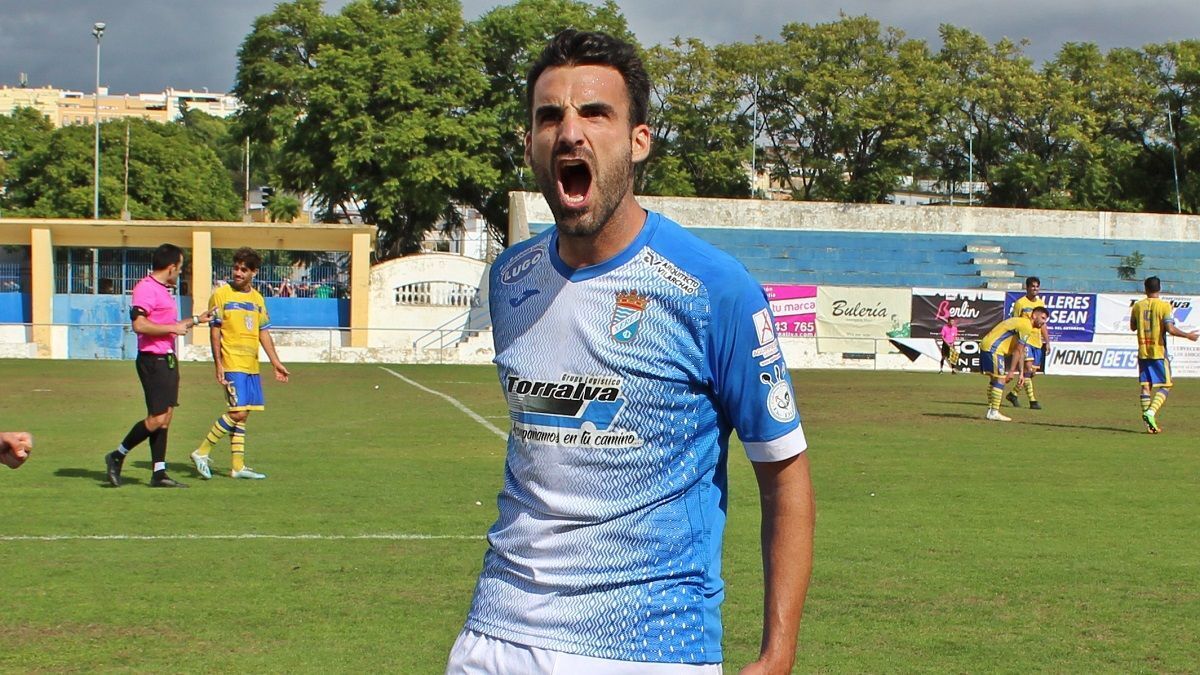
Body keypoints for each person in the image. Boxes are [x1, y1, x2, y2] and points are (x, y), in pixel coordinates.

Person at [446, 30, 815, 675]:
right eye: (549, 115)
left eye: (595, 112)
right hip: (494, 636)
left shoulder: (714, 289)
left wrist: (777, 654)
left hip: (647, 646)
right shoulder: (509, 282)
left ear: (638, 140)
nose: (570, 132)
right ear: (530, 144)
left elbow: (785, 477)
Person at [105, 243, 212, 488]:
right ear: (172, 267)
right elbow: (139, 325)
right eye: (181, 268)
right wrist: (172, 328)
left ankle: (159, 472)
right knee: (157, 418)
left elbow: (170, 325)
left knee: (166, 418)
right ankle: (117, 455)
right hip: (153, 360)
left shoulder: (164, 290)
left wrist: (197, 320)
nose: (181, 272)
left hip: (168, 358)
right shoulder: (146, 289)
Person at [190, 246, 289, 480]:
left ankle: (237, 466)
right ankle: (201, 451)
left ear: (254, 272)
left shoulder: (257, 299)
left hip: (251, 364)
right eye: (236, 268)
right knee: (237, 412)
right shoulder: (221, 295)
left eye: (243, 269)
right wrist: (218, 364)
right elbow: (215, 332)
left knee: (244, 415)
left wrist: (276, 362)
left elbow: (263, 332)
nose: (238, 273)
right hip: (232, 361)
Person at [1130, 276, 1199, 433]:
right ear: (1159, 289)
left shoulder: (1137, 306)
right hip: (1158, 351)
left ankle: (1149, 426)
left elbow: (1133, 327)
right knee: (1167, 385)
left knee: (1146, 386)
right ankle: (1151, 412)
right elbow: (1170, 329)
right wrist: (1188, 335)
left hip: (1143, 351)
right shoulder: (1164, 306)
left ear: (1145, 289)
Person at [978, 307, 1049, 422]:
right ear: (1034, 316)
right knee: (1000, 380)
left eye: (1045, 320)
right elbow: (1018, 351)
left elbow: (1020, 350)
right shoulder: (1026, 326)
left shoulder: (1021, 323)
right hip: (994, 349)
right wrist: (1011, 371)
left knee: (994, 380)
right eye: (1043, 318)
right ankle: (994, 412)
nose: (1044, 322)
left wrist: (1020, 373)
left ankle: (991, 410)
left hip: (987, 346)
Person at [1006, 276, 1050, 409]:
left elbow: (1043, 324)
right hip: (1025, 340)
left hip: (1037, 341)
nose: (1035, 288)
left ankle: (1013, 394)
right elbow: (1014, 322)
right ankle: (1033, 401)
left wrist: (1047, 341)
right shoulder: (1020, 303)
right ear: (1027, 287)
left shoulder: (1041, 303)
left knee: (1031, 373)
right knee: (1028, 369)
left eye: (1037, 286)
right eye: (1032, 286)